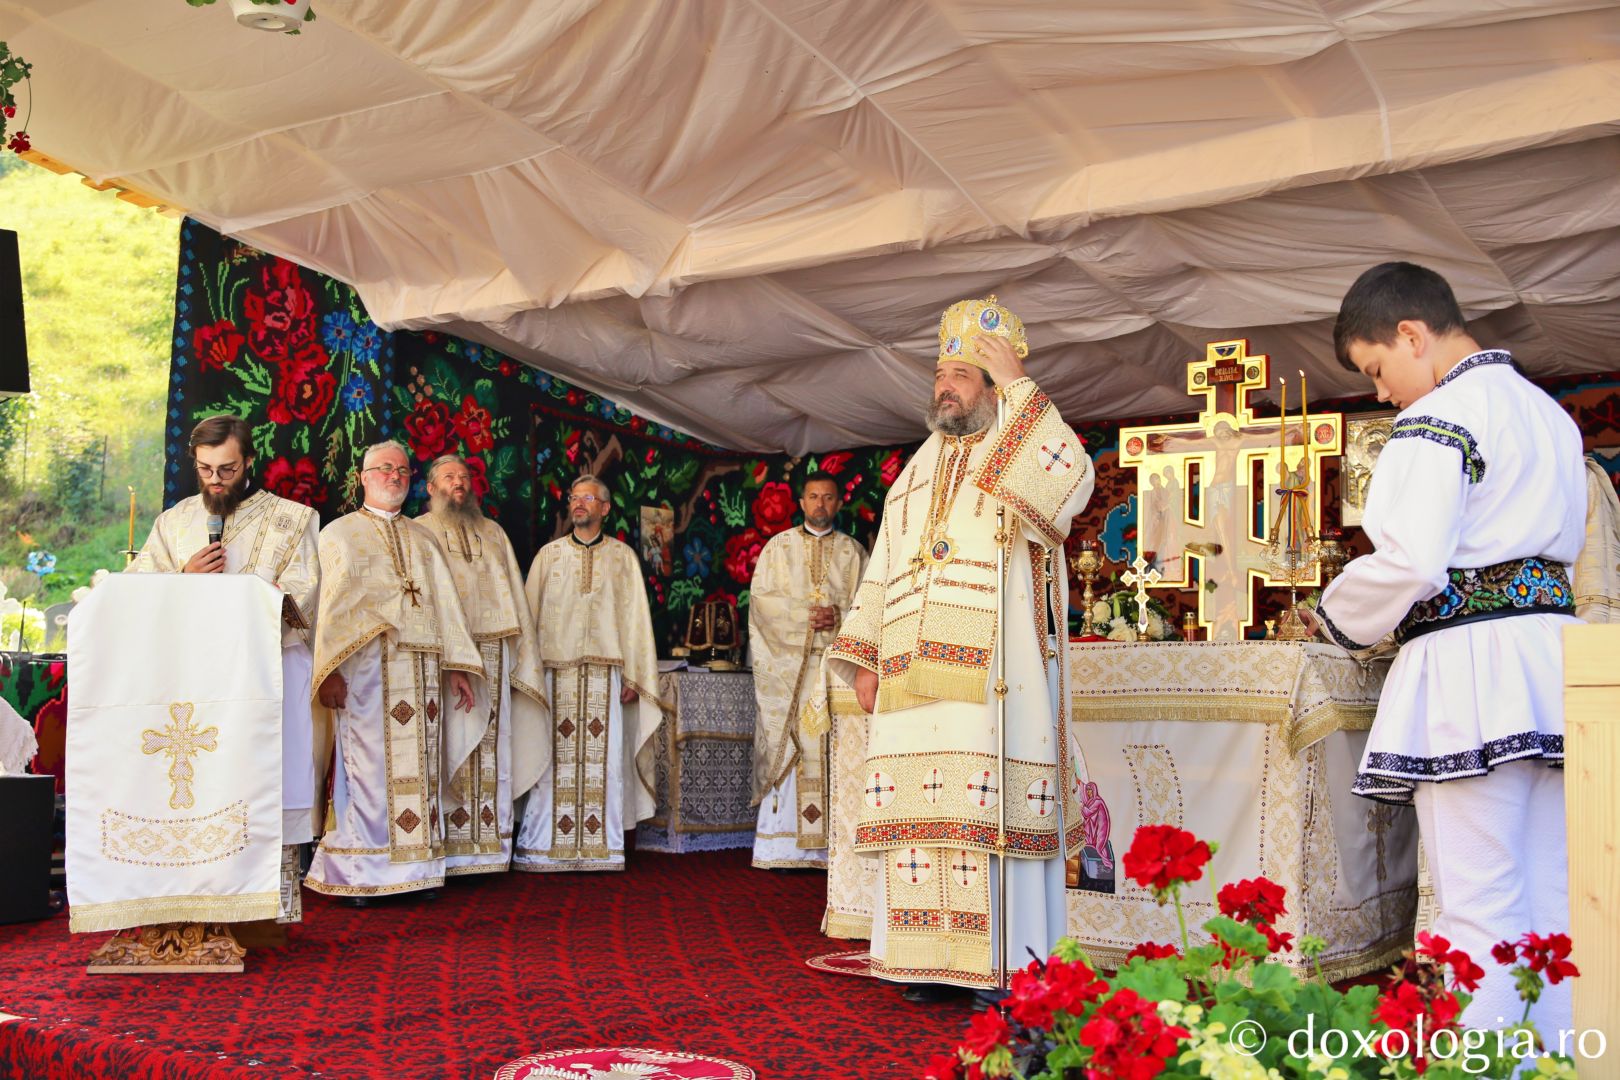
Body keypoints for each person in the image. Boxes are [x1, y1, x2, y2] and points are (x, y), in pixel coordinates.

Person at [1306, 261, 1583, 1034]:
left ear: (1411, 334)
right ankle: (1562, 1060)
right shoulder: (1550, 415)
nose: (1381, 392)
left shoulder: (1437, 418)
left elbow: (1413, 562)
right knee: (1554, 899)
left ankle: (1489, 1068)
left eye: (1376, 369)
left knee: (1478, 903)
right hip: (1553, 666)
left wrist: (1335, 615)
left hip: (1472, 672)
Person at [825, 296, 1095, 1000]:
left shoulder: (1019, 439)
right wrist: (864, 658)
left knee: (985, 811)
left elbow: (1071, 485)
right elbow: (884, 564)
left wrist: (1020, 389)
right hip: (909, 678)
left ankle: (1004, 963)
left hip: (995, 676)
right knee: (918, 820)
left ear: (992, 386)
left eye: (962, 375)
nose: (945, 386)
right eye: (940, 375)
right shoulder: (916, 471)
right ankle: (923, 962)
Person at [129, 414, 319, 923]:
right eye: (205, 469)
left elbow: (303, 598)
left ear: (249, 461)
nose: (215, 480)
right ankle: (193, 898)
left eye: (227, 469)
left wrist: (238, 599)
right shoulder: (173, 523)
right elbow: (134, 591)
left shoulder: (294, 520)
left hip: (266, 676)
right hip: (193, 683)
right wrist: (182, 575)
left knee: (263, 783)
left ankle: (265, 911)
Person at [304, 441, 484, 902]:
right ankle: (363, 872)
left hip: (423, 673)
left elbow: (445, 607)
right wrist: (328, 672)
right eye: (384, 468)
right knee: (367, 771)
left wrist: (456, 668)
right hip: (366, 673)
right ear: (363, 478)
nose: (394, 476)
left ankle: (418, 868)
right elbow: (326, 613)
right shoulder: (338, 535)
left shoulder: (424, 539)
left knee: (422, 767)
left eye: (402, 470)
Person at [514, 475, 664, 872]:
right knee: (551, 758)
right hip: (554, 674)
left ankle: (602, 847)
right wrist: (528, 673)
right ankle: (543, 846)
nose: (579, 503)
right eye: (574, 497)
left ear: (605, 508)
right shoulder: (548, 556)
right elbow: (528, 618)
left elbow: (636, 621)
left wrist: (634, 675)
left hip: (606, 676)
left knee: (606, 761)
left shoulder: (623, 558)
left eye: (588, 498)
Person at [417, 454, 550, 877]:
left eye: (464, 476)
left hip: (493, 651)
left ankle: (488, 852)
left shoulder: (493, 533)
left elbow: (515, 601)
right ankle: (448, 849)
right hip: (444, 657)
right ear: (431, 488)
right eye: (448, 476)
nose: (458, 482)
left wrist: (522, 657)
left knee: (493, 741)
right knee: (448, 739)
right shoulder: (418, 532)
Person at [746, 472, 868, 870]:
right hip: (790, 672)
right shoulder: (778, 549)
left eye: (828, 497)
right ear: (801, 503)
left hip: (837, 670)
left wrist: (838, 615)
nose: (820, 504)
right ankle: (782, 847)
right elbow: (762, 605)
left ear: (838, 503)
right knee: (792, 745)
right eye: (813, 496)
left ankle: (834, 848)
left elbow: (870, 608)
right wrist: (805, 616)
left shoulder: (854, 553)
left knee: (837, 749)